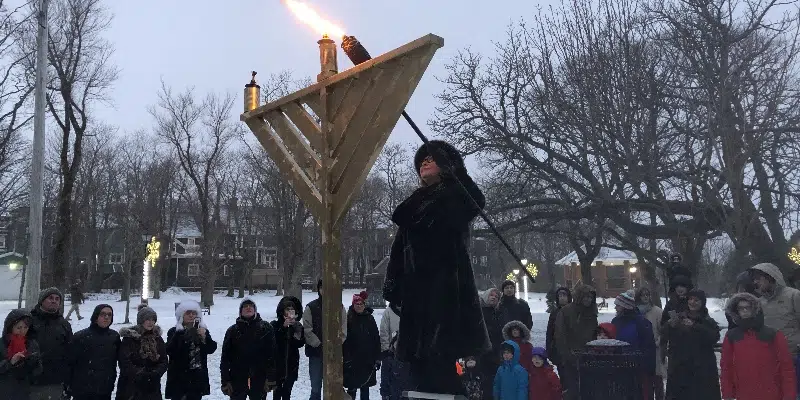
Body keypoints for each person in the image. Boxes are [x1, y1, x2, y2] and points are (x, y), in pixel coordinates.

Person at [383, 140, 491, 394]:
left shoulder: (455, 194)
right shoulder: (413, 206)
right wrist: (393, 283)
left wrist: (456, 172)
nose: (424, 163)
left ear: (446, 166)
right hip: (416, 299)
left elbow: (474, 200)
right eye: (421, 161)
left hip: (446, 296)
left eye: (431, 159)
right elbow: (399, 250)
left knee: (443, 368)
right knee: (419, 372)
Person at [721, 292, 796, 400]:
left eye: (748, 307)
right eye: (741, 308)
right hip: (743, 394)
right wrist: (727, 394)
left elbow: (787, 367)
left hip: (772, 394)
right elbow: (726, 367)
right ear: (736, 311)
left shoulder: (773, 334)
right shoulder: (732, 336)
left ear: (755, 309)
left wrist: (789, 395)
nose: (745, 310)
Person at [662, 289, 720, 400]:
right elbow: (665, 334)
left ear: (702, 302)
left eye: (696, 300)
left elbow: (713, 337)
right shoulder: (679, 317)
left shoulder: (707, 320)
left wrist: (694, 326)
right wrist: (669, 326)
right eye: (690, 299)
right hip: (680, 369)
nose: (692, 302)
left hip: (702, 370)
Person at [221, 298, 277, 400]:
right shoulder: (232, 330)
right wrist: (225, 380)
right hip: (237, 377)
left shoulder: (266, 328)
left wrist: (271, 377)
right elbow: (225, 358)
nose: (248, 308)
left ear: (255, 310)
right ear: (240, 311)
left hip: (259, 376)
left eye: (251, 306)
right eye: (245, 306)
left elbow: (272, 354)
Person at [303, 279, 347, 400]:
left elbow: (343, 329)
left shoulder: (339, 307)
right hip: (316, 354)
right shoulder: (311, 307)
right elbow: (307, 329)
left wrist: (336, 344)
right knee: (316, 388)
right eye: (323, 287)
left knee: (333, 387)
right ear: (319, 289)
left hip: (334, 354)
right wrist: (319, 344)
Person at [165, 300, 218, 400]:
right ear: (182, 315)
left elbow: (211, 349)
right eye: (188, 313)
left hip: (196, 378)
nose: (191, 316)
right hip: (179, 378)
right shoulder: (174, 331)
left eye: (194, 313)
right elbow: (169, 350)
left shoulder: (202, 330)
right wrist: (179, 335)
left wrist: (204, 338)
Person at [66, 304, 120, 400]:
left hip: (104, 389)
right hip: (83, 390)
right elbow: (70, 363)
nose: (106, 317)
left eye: (109, 315)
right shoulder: (81, 337)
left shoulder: (114, 337)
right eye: (103, 314)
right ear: (96, 317)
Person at [554, 284, 598, 400]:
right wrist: (567, 355)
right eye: (586, 297)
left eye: (590, 297)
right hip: (570, 358)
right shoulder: (566, 312)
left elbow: (594, 335)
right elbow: (560, 335)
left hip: (588, 358)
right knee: (572, 390)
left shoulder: (592, 313)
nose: (588, 299)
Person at [611, 290, 656, 400]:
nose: (615, 308)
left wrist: (647, 367)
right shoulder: (615, 321)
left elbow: (648, 346)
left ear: (625, 306)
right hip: (619, 366)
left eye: (618, 305)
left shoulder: (641, 323)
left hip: (637, 367)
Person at [29, 287, 72, 400]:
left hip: (56, 382)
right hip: (31, 382)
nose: (54, 301)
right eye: (50, 298)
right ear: (41, 301)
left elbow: (70, 353)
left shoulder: (64, 324)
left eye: (57, 299)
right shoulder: (29, 321)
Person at [116, 305, 168, 400]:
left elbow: (164, 360)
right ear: (141, 320)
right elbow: (124, 361)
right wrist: (140, 373)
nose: (150, 322)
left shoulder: (157, 338)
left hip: (152, 386)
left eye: (153, 319)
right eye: (147, 319)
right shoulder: (129, 338)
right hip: (131, 386)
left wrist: (156, 373)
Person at [750, 262, 800, 356]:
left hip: (794, 356)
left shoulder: (794, 295)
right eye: (754, 279)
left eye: (758, 278)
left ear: (770, 276)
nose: (755, 282)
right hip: (770, 356)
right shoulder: (759, 302)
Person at [343, 291, 381, 400]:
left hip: (367, 360)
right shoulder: (348, 318)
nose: (359, 306)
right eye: (357, 304)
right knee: (351, 390)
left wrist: (377, 358)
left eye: (361, 304)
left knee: (365, 389)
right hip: (352, 360)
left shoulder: (369, 318)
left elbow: (376, 338)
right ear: (353, 305)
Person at [0, 309, 42, 400]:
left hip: (24, 392)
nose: (22, 331)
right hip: (4, 392)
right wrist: (10, 363)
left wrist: (32, 363)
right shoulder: (2, 344)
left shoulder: (31, 344)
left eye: (26, 327)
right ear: (10, 327)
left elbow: (38, 371)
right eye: (19, 328)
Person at [270, 296, 305, 400]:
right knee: (277, 394)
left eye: (292, 309)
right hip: (278, 365)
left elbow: (300, 343)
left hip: (291, 365)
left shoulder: (298, 326)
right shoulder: (275, 325)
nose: (290, 312)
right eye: (287, 309)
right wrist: (283, 328)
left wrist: (295, 329)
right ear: (282, 311)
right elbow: (273, 341)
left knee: (287, 393)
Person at [635, 287, 665, 400]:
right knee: (645, 382)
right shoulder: (635, 312)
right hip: (641, 350)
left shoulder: (657, 311)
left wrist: (658, 342)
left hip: (655, 351)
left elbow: (663, 331)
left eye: (647, 294)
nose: (646, 297)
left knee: (657, 381)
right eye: (643, 295)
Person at [480, 288, 504, 399]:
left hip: (496, 353)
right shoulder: (479, 312)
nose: (494, 297)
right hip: (481, 354)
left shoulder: (499, 313)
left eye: (496, 296)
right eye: (491, 295)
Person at [544, 286, 570, 372]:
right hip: (558, 349)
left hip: (571, 350)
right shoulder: (554, 313)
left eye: (564, 295)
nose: (562, 298)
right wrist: (549, 349)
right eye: (560, 296)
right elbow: (549, 333)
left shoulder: (574, 312)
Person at [380, 333, 411, 400]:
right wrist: (385, 394)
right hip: (393, 395)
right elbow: (384, 380)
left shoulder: (409, 360)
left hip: (407, 395)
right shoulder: (388, 360)